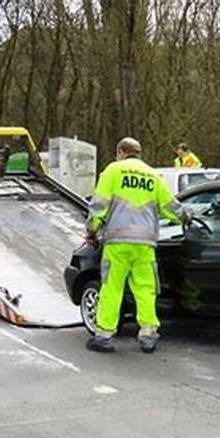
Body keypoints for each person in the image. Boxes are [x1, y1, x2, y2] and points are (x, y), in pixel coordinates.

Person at [85, 137, 190, 353]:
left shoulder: (113, 172)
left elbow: (99, 206)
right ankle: (148, 334)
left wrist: (91, 231)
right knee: (145, 289)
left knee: (112, 288)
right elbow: (171, 207)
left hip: (118, 243)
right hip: (145, 244)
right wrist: (187, 217)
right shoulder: (153, 176)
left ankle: (104, 335)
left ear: (121, 152)